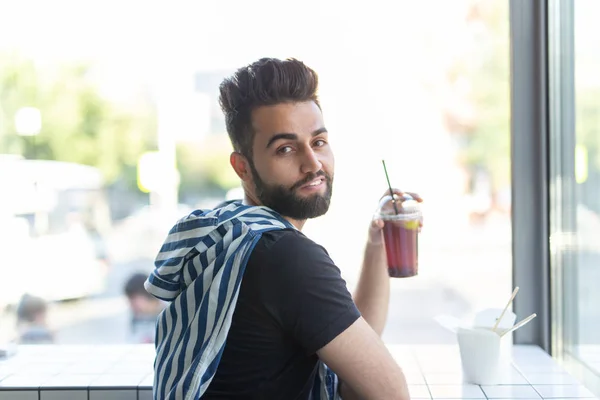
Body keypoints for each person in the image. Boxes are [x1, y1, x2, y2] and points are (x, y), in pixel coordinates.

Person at [145, 58, 420, 399]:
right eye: (285, 149)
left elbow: (356, 350)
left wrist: (377, 245)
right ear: (243, 167)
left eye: (318, 142)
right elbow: (391, 393)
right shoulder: (284, 255)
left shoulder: (233, 236)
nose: (313, 163)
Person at [124, 272, 165, 344]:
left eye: (133, 299)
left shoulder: (170, 312)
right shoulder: (136, 317)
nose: (131, 305)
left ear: (146, 293)